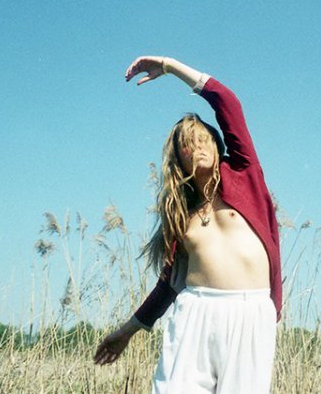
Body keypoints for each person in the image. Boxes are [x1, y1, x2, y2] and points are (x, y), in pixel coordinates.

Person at [94, 56, 282, 394]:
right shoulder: (182, 214)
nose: (197, 146)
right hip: (195, 311)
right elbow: (167, 286)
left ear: (217, 144)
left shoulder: (245, 176)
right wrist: (126, 331)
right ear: (178, 158)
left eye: (203, 138)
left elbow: (227, 101)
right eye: (187, 143)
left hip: (252, 313)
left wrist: (169, 66)